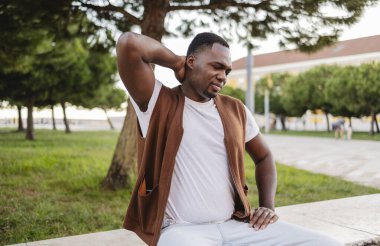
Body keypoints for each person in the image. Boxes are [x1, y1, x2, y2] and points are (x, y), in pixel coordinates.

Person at [116, 32, 342, 246]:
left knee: (326, 243)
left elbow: (264, 157)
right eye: (217, 66)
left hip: (237, 226)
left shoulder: (236, 109)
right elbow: (129, 44)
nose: (223, 77)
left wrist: (268, 207)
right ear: (192, 62)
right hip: (181, 231)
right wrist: (176, 62)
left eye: (227, 71)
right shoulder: (157, 101)